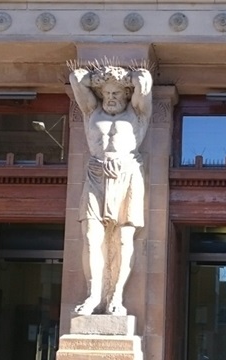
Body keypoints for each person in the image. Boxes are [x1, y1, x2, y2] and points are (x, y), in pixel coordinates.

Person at [68, 62, 153, 316]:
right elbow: (76, 78)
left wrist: (136, 76)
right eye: (106, 93)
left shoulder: (137, 113)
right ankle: (94, 294)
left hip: (127, 174)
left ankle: (116, 296)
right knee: (92, 237)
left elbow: (145, 83)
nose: (111, 97)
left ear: (126, 94)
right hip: (96, 174)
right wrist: (93, 77)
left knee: (124, 239)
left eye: (116, 93)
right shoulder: (91, 111)